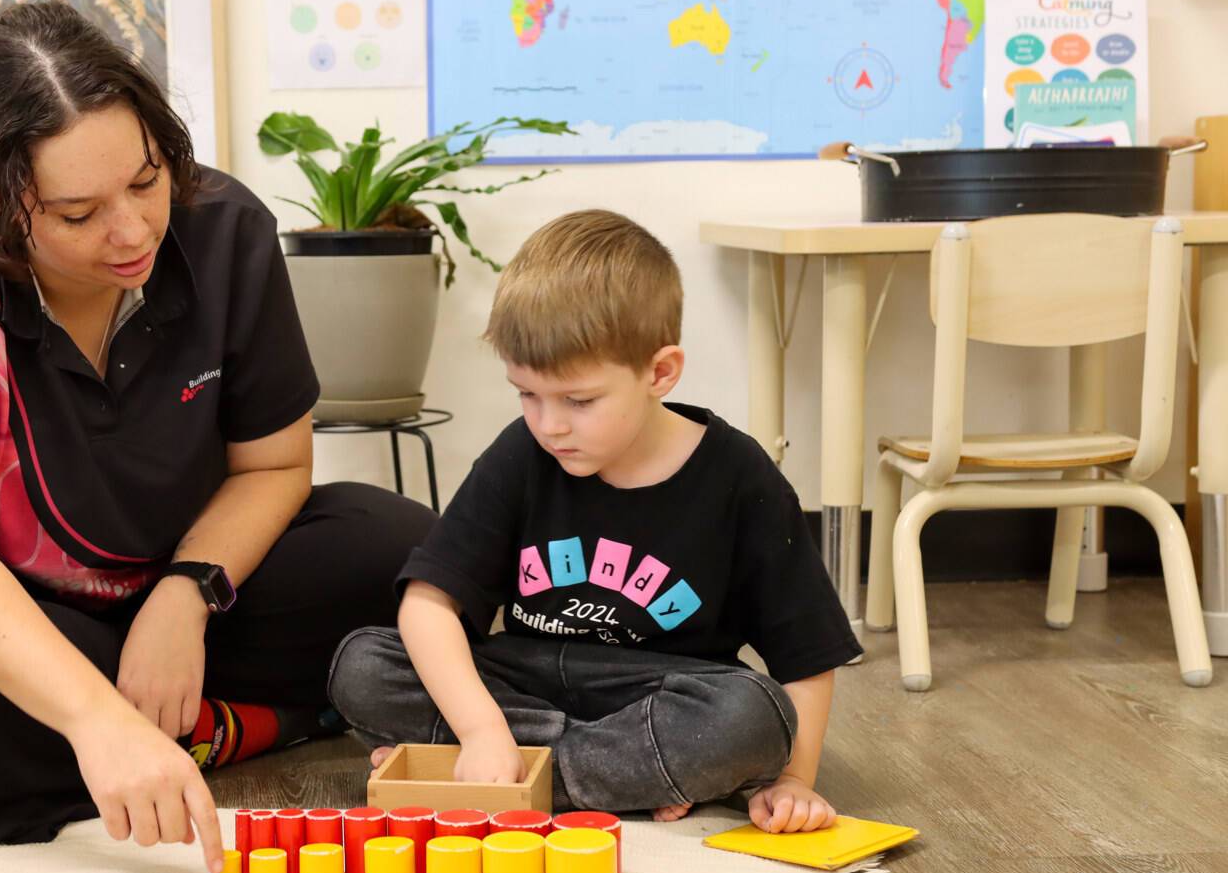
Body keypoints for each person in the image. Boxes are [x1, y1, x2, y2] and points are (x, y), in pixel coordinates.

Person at [0, 0, 435, 870]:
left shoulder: (224, 228)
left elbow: (275, 463)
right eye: (76, 212)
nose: (131, 232)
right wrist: (93, 715)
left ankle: (153, 730)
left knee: (401, 549)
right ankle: (227, 728)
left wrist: (184, 600)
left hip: (148, 592)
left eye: (145, 180)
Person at [328, 210, 862, 832]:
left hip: (659, 692)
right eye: (527, 394)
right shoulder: (523, 454)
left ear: (659, 373)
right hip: (523, 677)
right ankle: (611, 777)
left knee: (752, 715)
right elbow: (428, 603)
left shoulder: (740, 477)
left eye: (579, 401)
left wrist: (794, 781)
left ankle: (505, 777)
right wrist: (481, 728)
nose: (549, 424)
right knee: (363, 664)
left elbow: (805, 658)